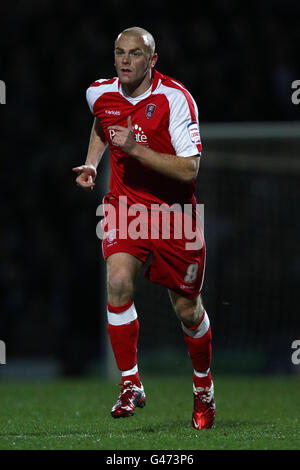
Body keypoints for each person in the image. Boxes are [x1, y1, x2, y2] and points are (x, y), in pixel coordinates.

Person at [72, 26, 215, 429]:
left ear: (152, 61)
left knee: (188, 310)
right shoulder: (99, 92)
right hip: (125, 207)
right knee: (117, 281)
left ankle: (203, 388)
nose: (124, 61)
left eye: (135, 54)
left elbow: (189, 169)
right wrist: (92, 162)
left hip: (174, 216)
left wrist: (135, 148)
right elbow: (103, 124)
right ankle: (130, 382)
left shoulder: (175, 99)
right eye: (119, 52)